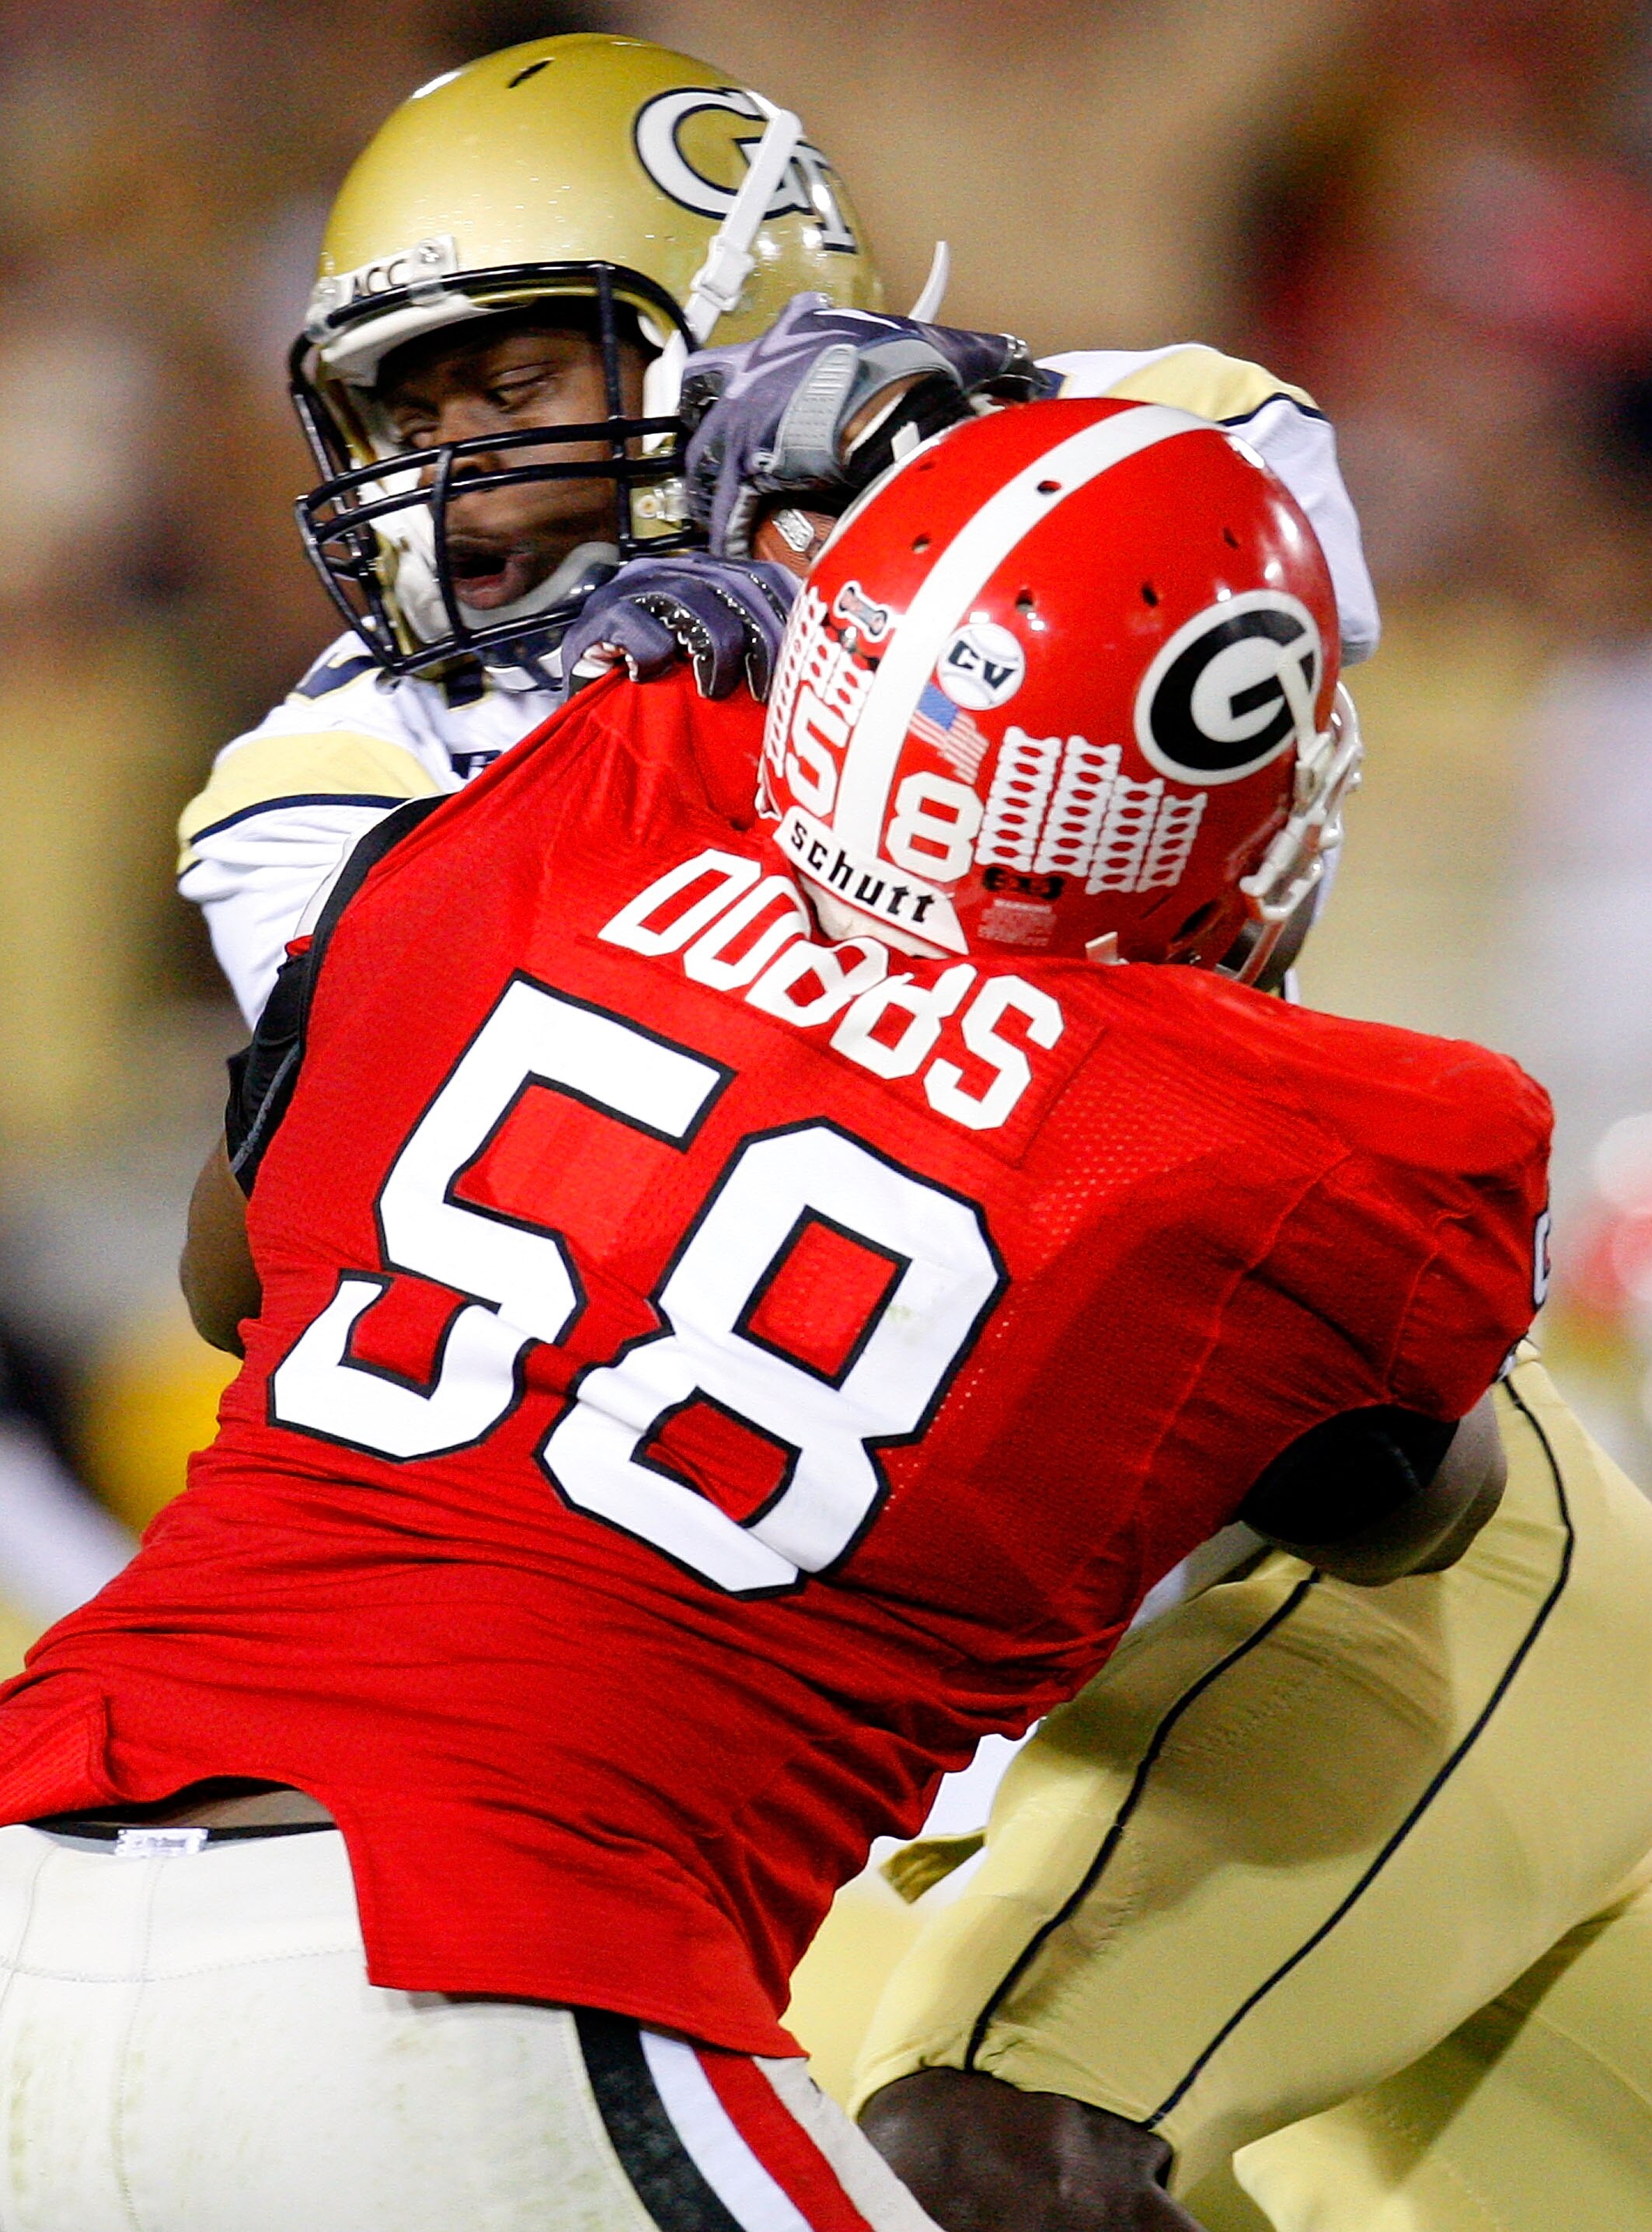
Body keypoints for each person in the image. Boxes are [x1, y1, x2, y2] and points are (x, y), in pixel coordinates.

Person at [0, 401, 1543, 2228]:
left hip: (46, 1854)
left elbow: (232, 1268)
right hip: (495, 1979)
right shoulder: (1296, 1143)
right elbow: (1414, 1509)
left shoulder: (575, 806)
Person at [676, 316, 1652, 2232]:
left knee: (983, 2140)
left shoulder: (566, 848)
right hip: (897, 1797)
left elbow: (1399, 1493)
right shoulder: (512, 811)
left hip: (1326, 1640)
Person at [176, 30, 1378, 1025]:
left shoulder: (1151, 433)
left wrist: (904, 487)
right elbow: (548, 1069)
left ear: (735, 336)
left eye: (510, 390)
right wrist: (664, 728)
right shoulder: (321, 772)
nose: (451, 472)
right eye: (405, 413)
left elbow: (1244, 487)